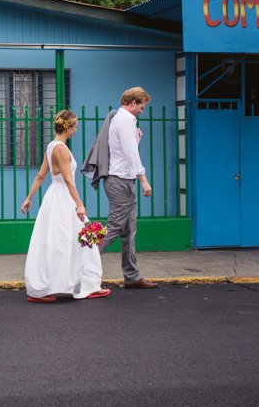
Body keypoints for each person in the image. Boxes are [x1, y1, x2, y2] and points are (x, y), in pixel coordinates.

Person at [21, 110, 111, 302]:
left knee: (56, 241)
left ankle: (55, 286)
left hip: (52, 198)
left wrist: (29, 197)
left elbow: (40, 175)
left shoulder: (50, 147)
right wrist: (79, 205)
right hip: (63, 199)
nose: (76, 130)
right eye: (75, 126)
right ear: (67, 127)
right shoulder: (61, 149)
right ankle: (86, 285)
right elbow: (69, 181)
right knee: (79, 241)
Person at [85, 87, 158, 289]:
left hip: (121, 179)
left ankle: (132, 276)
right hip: (121, 181)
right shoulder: (125, 120)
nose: (142, 111)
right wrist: (143, 179)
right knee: (115, 227)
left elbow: (122, 149)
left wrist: (137, 138)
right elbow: (130, 153)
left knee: (128, 230)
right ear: (133, 102)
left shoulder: (121, 119)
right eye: (141, 107)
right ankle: (80, 263)